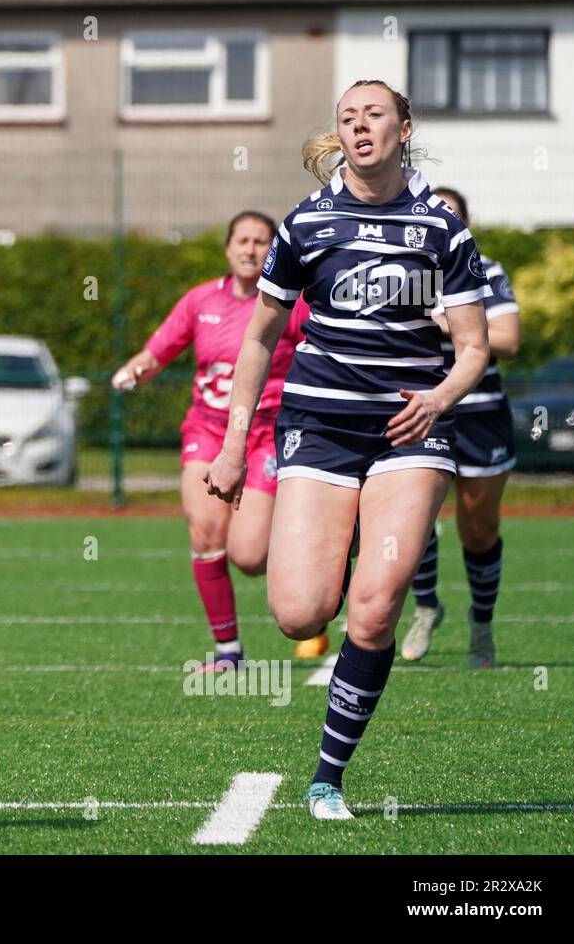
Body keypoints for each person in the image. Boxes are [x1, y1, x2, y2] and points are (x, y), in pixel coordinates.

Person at [206, 79, 491, 820]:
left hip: (411, 432)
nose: (361, 127)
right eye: (348, 118)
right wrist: (237, 445)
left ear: (403, 127)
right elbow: (261, 336)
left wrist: (439, 397)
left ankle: (328, 777)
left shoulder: (440, 229)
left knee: (373, 611)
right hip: (320, 427)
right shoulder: (307, 224)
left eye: (375, 115)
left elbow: (472, 347)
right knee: (302, 614)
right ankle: (351, 530)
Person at [112, 212, 308, 669]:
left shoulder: (288, 304)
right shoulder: (200, 301)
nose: (251, 249)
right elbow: (159, 350)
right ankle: (228, 653)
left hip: (265, 434)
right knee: (204, 534)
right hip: (207, 430)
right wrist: (136, 370)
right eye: (243, 240)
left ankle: (317, 556)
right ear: (227, 248)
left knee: (249, 555)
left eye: (262, 242)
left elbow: (325, 348)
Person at [402, 187, 519, 668]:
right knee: (412, 519)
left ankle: (482, 624)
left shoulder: (484, 270)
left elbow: (507, 339)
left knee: (478, 530)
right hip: (421, 409)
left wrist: (450, 322)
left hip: (480, 413)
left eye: (452, 213)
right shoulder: (402, 269)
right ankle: (427, 606)